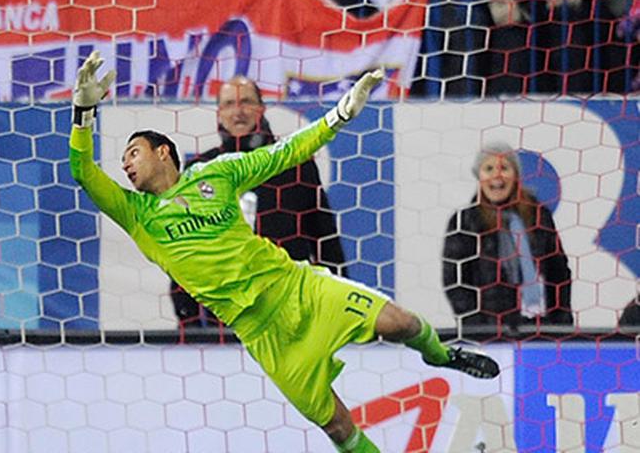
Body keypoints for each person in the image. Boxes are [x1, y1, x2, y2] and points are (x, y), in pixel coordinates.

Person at [69, 51, 500, 453]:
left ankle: (443, 355)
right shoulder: (136, 213)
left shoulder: (216, 174)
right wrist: (83, 114)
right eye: (123, 159)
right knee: (336, 426)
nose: (125, 165)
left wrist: (339, 114)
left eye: (133, 153)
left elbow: (287, 151)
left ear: (163, 151)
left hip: (297, 287)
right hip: (261, 332)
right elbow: (83, 171)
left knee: (399, 321)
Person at [172, 75, 345, 327]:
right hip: (223, 317)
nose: (238, 111)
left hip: (288, 310)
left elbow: (324, 239)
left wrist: (339, 308)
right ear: (219, 113)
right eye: (229, 104)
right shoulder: (199, 170)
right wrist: (188, 320)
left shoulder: (295, 164)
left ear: (262, 109)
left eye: (247, 102)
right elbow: (183, 251)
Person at [442, 143, 573, 337]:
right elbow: (455, 282)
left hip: (540, 329)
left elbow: (558, 272)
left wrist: (559, 323)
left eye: (504, 168)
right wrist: (477, 327)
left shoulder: (538, 216)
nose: (497, 175)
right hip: (488, 332)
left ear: (516, 175)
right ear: (479, 176)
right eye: (489, 168)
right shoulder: (465, 221)